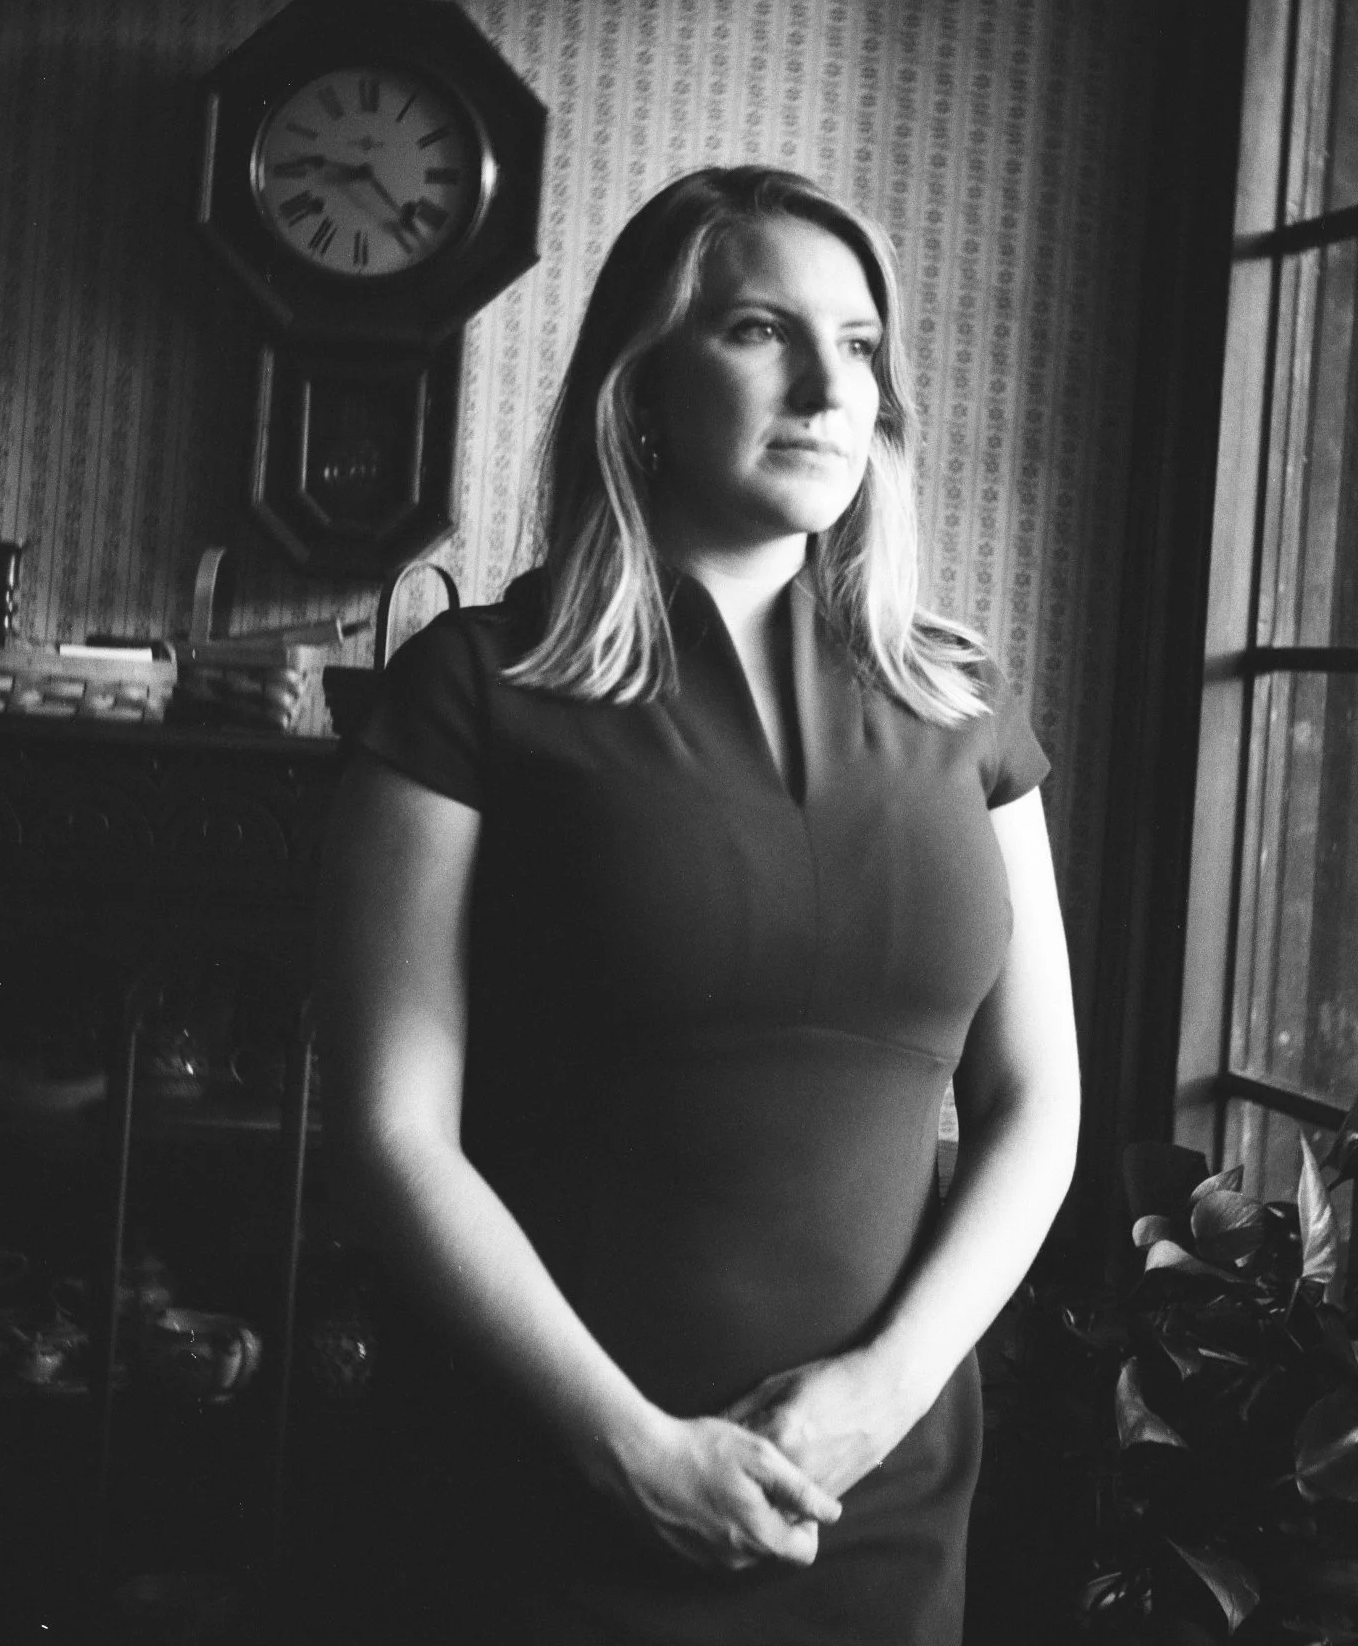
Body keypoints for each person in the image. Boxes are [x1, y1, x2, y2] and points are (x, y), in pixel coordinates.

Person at [315, 165, 1079, 1644]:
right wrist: (629, 1449)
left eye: (859, 346)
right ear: (643, 382)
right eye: (758, 331)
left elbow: (1036, 1101)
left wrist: (883, 1395)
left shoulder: (964, 704)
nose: (827, 388)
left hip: (874, 1497)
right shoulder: (472, 689)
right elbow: (390, 1132)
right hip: (543, 1490)